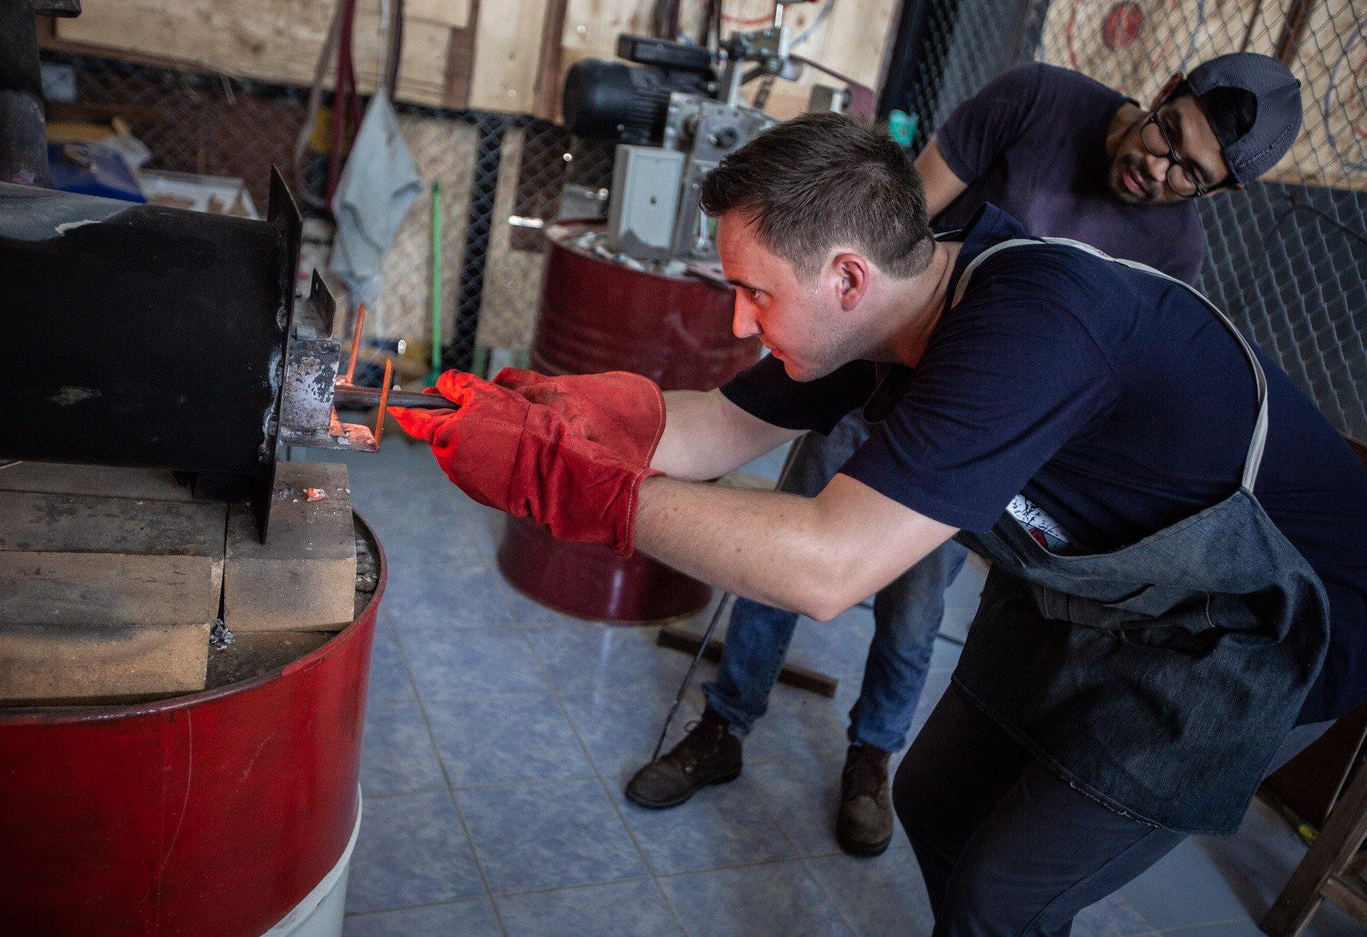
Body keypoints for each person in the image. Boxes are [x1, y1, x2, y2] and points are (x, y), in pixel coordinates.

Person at [391, 107, 1367, 934]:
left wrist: (566, 486)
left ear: (846, 277)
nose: (737, 323)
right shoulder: (882, 309)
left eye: (751, 293)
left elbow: (827, 565)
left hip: (1264, 625)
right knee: (934, 803)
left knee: (1004, 892)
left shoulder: (1025, 328)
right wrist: (561, 414)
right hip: (1099, 587)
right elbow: (716, 427)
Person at [623, 51, 1310, 859]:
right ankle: (723, 723)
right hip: (888, 354)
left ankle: (871, 758)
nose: (1157, 167)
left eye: (1189, 173)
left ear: (1219, 191)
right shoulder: (1037, 99)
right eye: (1168, 134)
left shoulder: (1176, 252)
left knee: (911, 607)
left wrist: (596, 493)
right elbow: (900, 231)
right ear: (1163, 93)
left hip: (982, 447)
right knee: (774, 540)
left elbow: (1072, 405)